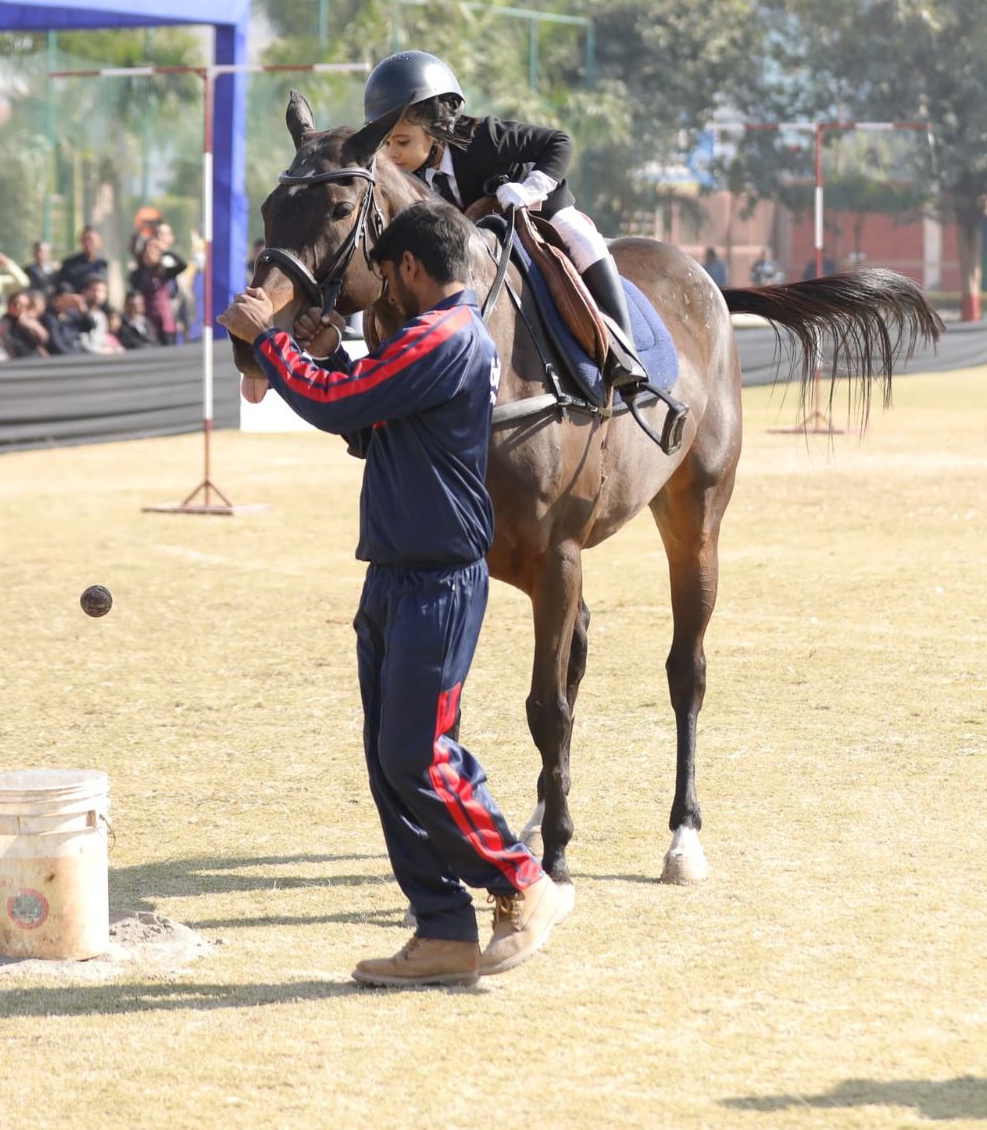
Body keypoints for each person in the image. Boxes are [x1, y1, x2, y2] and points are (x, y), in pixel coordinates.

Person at [219, 201, 572, 987]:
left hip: (435, 581)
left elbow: (336, 403)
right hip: (400, 576)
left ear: (411, 268)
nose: (380, 289)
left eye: (384, 275)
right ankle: (442, 930)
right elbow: (364, 416)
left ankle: (521, 880)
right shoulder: (430, 338)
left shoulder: (443, 334)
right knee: (392, 763)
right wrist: (322, 358)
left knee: (420, 755)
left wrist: (267, 340)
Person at [367, 50, 648, 391]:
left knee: (580, 236)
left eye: (402, 141)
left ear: (436, 129)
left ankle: (623, 347)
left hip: (535, 209)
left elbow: (558, 142)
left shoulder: (484, 137)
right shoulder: (405, 178)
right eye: (386, 143)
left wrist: (530, 188)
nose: (392, 154)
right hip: (477, 235)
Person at [131, 237, 187, 344]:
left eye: (155, 250)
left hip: (166, 322)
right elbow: (134, 286)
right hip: (148, 323)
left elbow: (183, 264)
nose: (152, 253)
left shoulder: (164, 271)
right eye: (149, 250)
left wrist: (163, 251)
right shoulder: (139, 274)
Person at [55, 227, 108, 296]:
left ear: (98, 242)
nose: (87, 243)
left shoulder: (102, 264)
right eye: (85, 239)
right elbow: (62, 285)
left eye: (90, 240)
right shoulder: (69, 264)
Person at [0, 289, 51, 359]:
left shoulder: (29, 321)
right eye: (15, 303)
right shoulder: (4, 322)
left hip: (35, 359)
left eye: (23, 305)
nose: (18, 307)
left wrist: (28, 324)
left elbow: (43, 339)